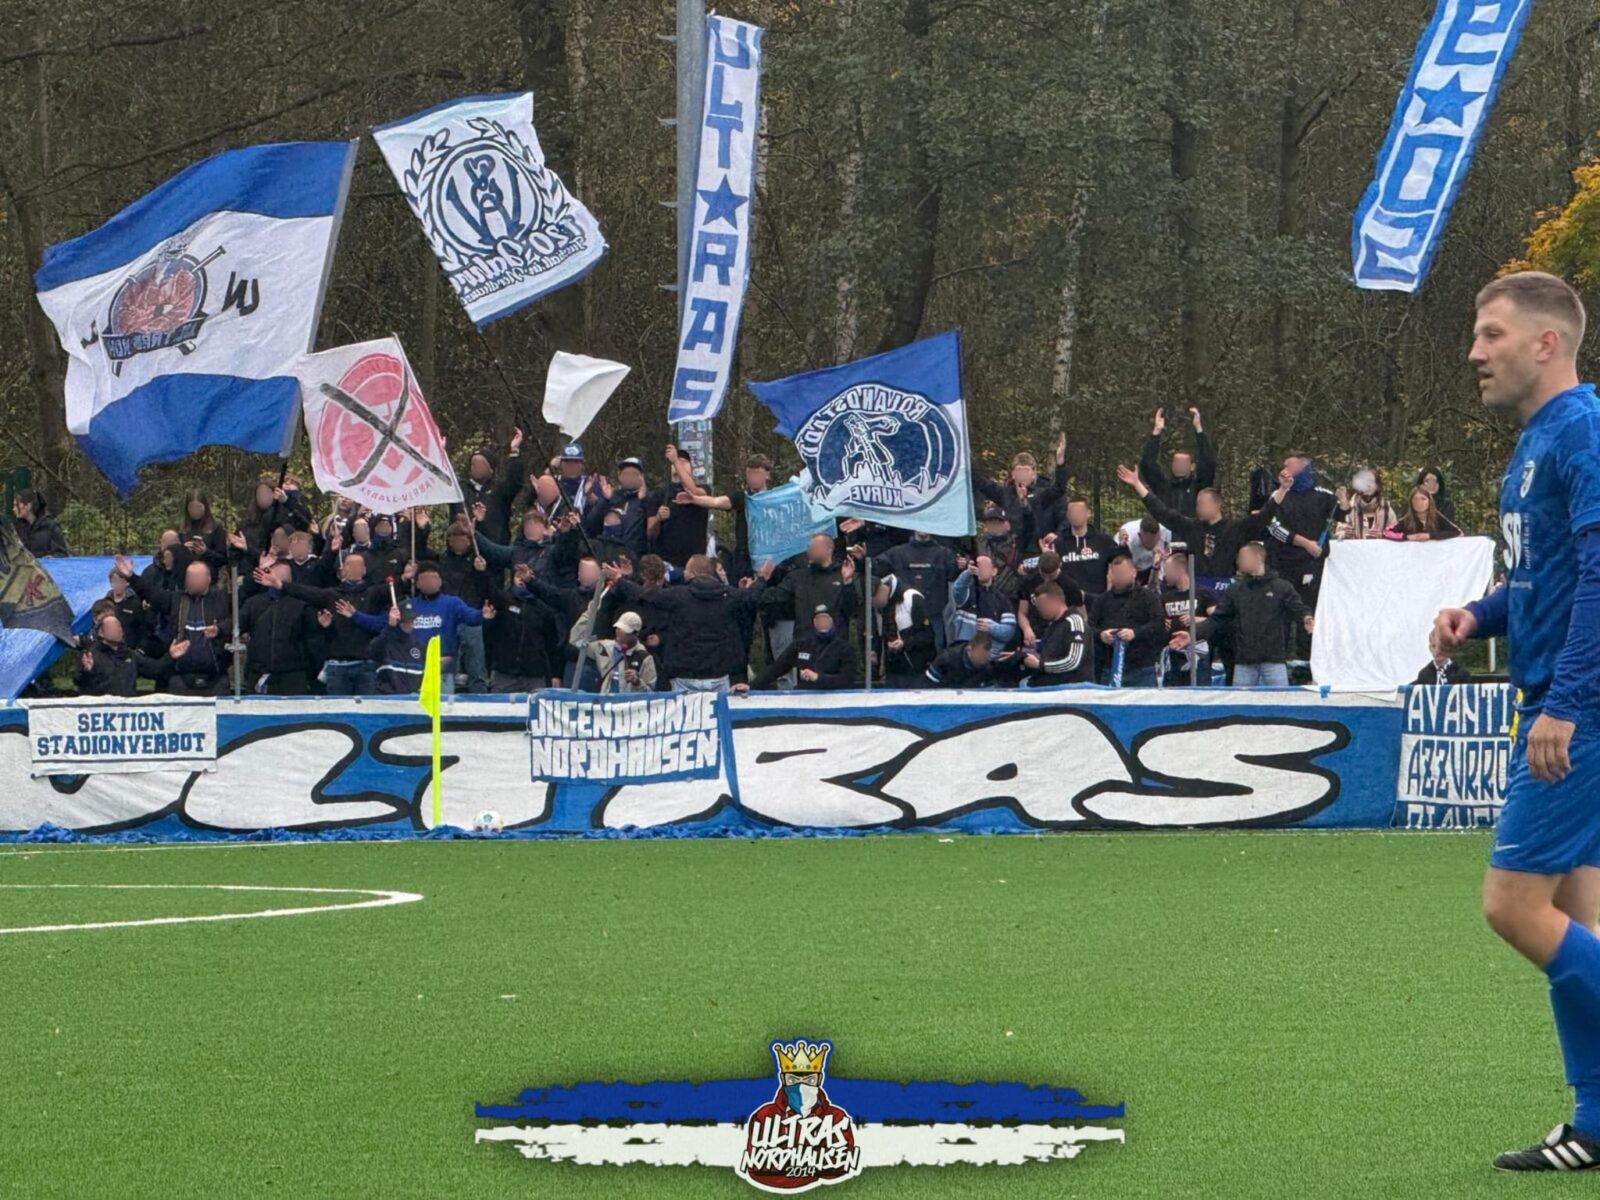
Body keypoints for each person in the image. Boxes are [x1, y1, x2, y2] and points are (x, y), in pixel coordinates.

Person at [1430, 271, 1600, 1173]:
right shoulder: (1539, 441)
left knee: (1512, 905)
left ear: (1545, 343)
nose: (1474, 352)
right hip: (1568, 701)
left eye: (1490, 334)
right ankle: (1597, 1123)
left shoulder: (1585, 430)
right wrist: (1479, 616)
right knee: (1579, 916)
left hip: (1583, 709)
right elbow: (1547, 581)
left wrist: (1565, 708)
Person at [609, 554, 772, 693]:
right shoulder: (730, 596)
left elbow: (646, 595)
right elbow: (751, 599)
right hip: (720, 677)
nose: (684, 573)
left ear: (693, 573)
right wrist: (762, 579)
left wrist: (619, 580)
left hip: (683, 678)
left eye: (686, 570)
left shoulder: (679, 595)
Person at [1115, 465, 1279, 587]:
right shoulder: (1192, 527)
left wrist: (1283, 489)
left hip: (1225, 587)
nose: (1198, 508)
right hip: (1198, 587)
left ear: (1216, 505)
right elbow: (1162, 512)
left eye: (1201, 504)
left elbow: (1264, 516)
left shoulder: (1234, 528)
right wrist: (1137, 485)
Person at [1174, 542, 1313, 687]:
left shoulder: (1282, 587)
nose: (1238, 562)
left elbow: (1298, 608)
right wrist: (1192, 634)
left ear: (1257, 558)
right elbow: (1216, 620)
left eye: (1241, 557)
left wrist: (1306, 617)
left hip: (1274, 660)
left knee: (1281, 704)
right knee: (1239, 704)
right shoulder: (1235, 590)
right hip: (1244, 661)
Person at [349, 561, 483, 694]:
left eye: (433, 578)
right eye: (425, 579)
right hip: (413, 671)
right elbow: (380, 623)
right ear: (417, 583)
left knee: (439, 713)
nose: (429, 582)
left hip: (441, 672)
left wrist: (484, 614)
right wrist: (355, 615)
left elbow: (472, 618)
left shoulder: (452, 603)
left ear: (440, 581)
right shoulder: (407, 606)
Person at [116, 554, 231, 695]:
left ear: (208, 579)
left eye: (195, 577)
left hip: (216, 678)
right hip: (181, 678)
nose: (190, 581)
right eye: (188, 577)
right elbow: (151, 593)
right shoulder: (177, 599)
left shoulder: (222, 599)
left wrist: (220, 629)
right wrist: (131, 577)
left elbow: (239, 619)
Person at [293, 552, 390, 696]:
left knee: (367, 711)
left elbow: (381, 625)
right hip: (336, 666)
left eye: (358, 565)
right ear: (342, 569)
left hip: (366, 665)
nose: (354, 568)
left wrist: (355, 616)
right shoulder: (331, 595)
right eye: (350, 565)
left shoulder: (376, 594)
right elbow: (305, 591)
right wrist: (279, 583)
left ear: (364, 569)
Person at [242, 560, 329, 695]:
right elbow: (238, 624)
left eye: (285, 574)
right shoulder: (254, 603)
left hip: (293, 675)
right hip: (258, 672)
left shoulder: (302, 605)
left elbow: (313, 637)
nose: (280, 577)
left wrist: (322, 626)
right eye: (277, 573)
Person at [974, 434, 1069, 553]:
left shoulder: (1041, 495)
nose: (1022, 475)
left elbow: (1059, 488)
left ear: (1034, 473)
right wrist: (966, 456)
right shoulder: (1004, 494)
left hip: (1038, 550)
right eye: (1019, 470)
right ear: (1013, 473)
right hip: (1013, 553)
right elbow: (982, 483)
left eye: (1026, 471)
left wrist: (1060, 464)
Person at [1088, 550, 1167, 687]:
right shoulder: (1101, 601)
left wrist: (1135, 633)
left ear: (1134, 572)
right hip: (1110, 667)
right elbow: (1089, 627)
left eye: (1123, 573)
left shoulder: (1148, 597)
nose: (1119, 578)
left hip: (1142, 668)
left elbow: (1159, 624)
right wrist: (1101, 635)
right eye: (1116, 574)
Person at [742, 604, 857, 691]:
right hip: (805, 698)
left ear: (832, 621)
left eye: (825, 619)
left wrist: (818, 678)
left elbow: (847, 679)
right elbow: (777, 668)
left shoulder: (845, 648)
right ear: (814, 622)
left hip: (836, 700)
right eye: (819, 619)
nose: (822, 622)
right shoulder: (802, 645)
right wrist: (750, 686)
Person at [875, 531, 960, 649]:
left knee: (935, 653)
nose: (922, 528)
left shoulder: (944, 553)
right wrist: (862, 557)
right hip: (905, 616)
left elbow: (955, 576)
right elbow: (874, 568)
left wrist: (962, 566)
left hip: (934, 616)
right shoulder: (897, 553)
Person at [482, 576, 565, 694]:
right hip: (504, 674)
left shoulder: (544, 610)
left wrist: (556, 674)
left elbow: (552, 646)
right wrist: (487, 621)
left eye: (524, 576)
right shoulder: (502, 602)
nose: (521, 580)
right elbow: (488, 637)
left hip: (534, 676)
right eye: (518, 575)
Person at [1139, 406, 1216, 518]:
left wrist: (1199, 429)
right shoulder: (1163, 486)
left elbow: (1209, 463)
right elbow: (1147, 465)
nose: (1179, 466)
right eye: (1177, 462)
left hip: (1191, 533)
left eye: (1183, 462)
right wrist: (1156, 432)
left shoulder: (1199, 487)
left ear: (1192, 466)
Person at [452, 428, 525, 545]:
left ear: (491, 469)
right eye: (474, 464)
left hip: (495, 547)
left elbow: (514, 482)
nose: (477, 467)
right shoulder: (461, 489)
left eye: (481, 464)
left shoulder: (499, 489)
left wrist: (514, 452)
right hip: (466, 550)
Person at [647, 445, 712, 569]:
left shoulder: (703, 489)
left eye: (685, 462)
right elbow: (650, 533)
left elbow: (694, 492)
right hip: (666, 562)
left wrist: (676, 461)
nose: (680, 464)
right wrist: (657, 519)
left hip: (694, 562)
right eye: (677, 462)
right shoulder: (658, 495)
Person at [1158, 551, 1218, 686]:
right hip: (1173, 655)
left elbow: (1218, 619)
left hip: (1198, 654)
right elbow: (1158, 621)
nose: (1165, 575)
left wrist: (1197, 619)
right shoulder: (1166, 597)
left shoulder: (1204, 593)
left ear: (1179, 570)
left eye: (1167, 570)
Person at [1018, 582, 1094, 686]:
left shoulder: (1074, 623)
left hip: (1071, 689)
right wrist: (1031, 649)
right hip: (1047, 686)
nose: (1039, 609)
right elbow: (1050, 651)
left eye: (1042, 605)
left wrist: (1039, 664)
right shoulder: (1053, 625)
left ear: (1056, 600)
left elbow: (1073, 661)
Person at [74, 614, 168, 697]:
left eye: (118, 627)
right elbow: (78, 681)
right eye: (112, 627)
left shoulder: (130, 654)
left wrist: (170, 656)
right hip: (102, 712)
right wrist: (86, 672)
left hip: (127, 712)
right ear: (101, 633)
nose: (117, 630)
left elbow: (155, 669)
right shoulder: (90, 655)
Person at [1044, 496, 1119, 596]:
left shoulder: (1104, 541)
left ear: (1088, 513)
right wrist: (1047, 559)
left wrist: (1123, 545)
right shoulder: (1058, 543)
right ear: (1068, 515)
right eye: (1072, 511)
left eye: (1079, 511)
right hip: (1068, 601)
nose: (1076, 514)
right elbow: (1049, 573)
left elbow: (1121, 561)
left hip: (1097, 599)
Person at [950, 554, 1019, 649]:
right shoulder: (967, 592)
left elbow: (1009, 632)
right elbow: (957, 589)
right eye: (978, 565)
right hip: (966, 650)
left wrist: (991, 628)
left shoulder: (1002, 599)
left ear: (994, 571)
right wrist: (968, 573)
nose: (980, 568)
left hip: (991, 654)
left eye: (984, 565)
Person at [586, 612, 659, 694]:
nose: (620, 637)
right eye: (618, 629)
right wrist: (590, 612)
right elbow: (577, 642)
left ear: (636, 634)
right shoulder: (604, 648)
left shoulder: (644, 657)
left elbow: (651, 695)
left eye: (626, 633)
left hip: (628, 705)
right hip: (606, 702)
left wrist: (637, 682)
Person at [369, 601, 426, 695]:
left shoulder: (418, 646)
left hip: (413, 701)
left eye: (411, 620)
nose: (409, 624)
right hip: (388, 701)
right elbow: (373, 651)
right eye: (406, 621)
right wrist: (390, 627)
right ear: (398, 621)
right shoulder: (385, 642)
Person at [924, 630, 1011, 688]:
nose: (982, 660)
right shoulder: (946, 659)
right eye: (980, 655)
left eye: (985, 656)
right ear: (969, 650)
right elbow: (928, 684)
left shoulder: (988, 666)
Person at [1333, 469, 1397, 541]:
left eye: (1371, 482)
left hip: (1379, 551)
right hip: (1354, 550)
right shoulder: (1349, 508)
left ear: (1377, 486)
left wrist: (1384, 535)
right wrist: (1344, 534)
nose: (1368, 485)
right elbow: (1339, 534)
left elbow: (1395, 534)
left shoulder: (1386, 509)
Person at [1385, 486, 1463, 542]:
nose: (1419, 503)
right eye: (1415, 499)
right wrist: (1408, 537)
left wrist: (1431, 535)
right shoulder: (1406, 520)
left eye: (1423, 499)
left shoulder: (1437, 517)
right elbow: (1387, 532)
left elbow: (1458, 533)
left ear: (1429, 501)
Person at [178, 490, 228, 574]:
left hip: (208, 576)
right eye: (192, 507)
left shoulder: (216, 527)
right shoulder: (181, 528)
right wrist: (183, 550)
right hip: (185, 575)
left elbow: (223, 559)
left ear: (205, 506)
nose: (195, 510)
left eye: (198, 507)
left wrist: (205, 552)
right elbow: (174, 557)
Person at [1116, 514, 1171, 585]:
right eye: (1149, 542)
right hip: (1132, 567)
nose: (1152, 544)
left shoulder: (1165, 532)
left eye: (1155, 540)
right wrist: (1122, 546)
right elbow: (1118, 562)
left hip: (1153, 568)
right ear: (1139, 535)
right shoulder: (1128, 535)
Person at [11, 489, 67, 557]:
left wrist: (52, 557)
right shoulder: (16, 527)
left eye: (16, 505)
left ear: (28, 506)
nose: (14, 509)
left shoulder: (50, 527)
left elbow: (61, 554)